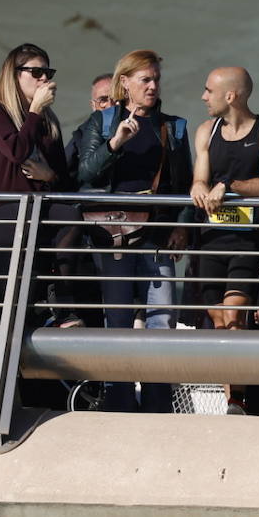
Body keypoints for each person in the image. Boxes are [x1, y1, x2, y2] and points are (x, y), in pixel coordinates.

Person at [77, 49, 193, 413]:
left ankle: (158, 404)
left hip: (157, 235)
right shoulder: (103, 123)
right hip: (113, 236)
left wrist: (182, 226)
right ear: (124, 83)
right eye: (145, 79)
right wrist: (115, 144)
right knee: (119, 320)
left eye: (156, 79)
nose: (153, 86)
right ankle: (120, 401)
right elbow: (83, 174)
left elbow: (185, 184)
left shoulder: (172, 126)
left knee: (162, 319)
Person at [0, 44, 87, 409]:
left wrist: (50, 174)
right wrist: (36, 111)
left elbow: (62, 181)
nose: (43, 79)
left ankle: (61, 305)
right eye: (35, 72)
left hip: (37, 215)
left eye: (48, 73)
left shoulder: (48, 123)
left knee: (70, 217)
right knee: (4, 309)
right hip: (4, 213)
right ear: (14, 73)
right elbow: (15, 151)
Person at [189, 66, 259, 415]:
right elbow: (198, 179)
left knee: (234, 315)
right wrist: (199, 188)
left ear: (231, 95)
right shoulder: (205, 131)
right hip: (211, 237)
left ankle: (238, 400)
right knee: (218, 322)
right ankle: (235, 397)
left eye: (208, 91)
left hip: (247, 240)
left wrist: (230, 187)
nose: (203, 97)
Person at [66, 73, 113, 179]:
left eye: (117, 99)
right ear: (93, 106)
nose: (110, 105)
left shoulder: (137, 127)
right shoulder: (81, 135)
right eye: (103, 100)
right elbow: (64, 173)